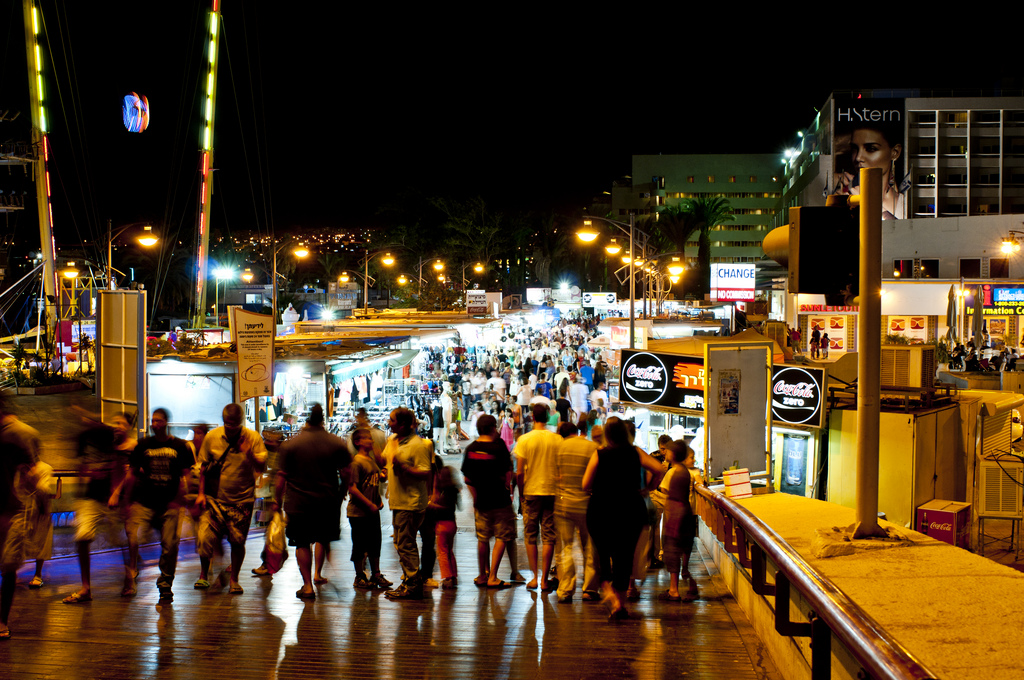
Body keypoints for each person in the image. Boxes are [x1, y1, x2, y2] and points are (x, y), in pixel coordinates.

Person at [583, 418, 664, 620]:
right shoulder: (635, 452)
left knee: (603, 555)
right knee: (624, 557)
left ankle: (611, 596)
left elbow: (585, 484)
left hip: (601, 510)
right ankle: (620, 604)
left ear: (607, 434)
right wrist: (649, 487)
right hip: (630, 510)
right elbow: (659, 469)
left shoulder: (600, 453)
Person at [276, 403, 352, 600]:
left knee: (301, 543)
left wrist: (277, 501)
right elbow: (346, 472)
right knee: (322, 538)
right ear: (323, 420)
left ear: (307, 421)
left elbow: (281, 477)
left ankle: (308, 585)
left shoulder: (291, 444)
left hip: (298, 503)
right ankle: (318, 573)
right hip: (326, 502)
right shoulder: (336, 443)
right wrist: (341, 493)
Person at [63, 412, 137, 604]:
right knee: (82, 537)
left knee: (119, 540)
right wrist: (79, 496)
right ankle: (86, 588)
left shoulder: (116, 442)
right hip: (91, 497)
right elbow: (81, 467)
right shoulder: (86, 439)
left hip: (111, 498)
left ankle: (129, 578)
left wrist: (118, 494)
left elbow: (126, 471)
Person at [195, 403, 268, 595]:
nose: (231, 428)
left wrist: (248, 452)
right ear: (223, 421)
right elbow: (203, 467)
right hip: (214, 499)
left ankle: (234, 579)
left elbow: (262, 466)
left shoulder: (252, 437)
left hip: (242, 500)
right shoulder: (212, 437)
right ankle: (203, 575)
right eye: (228, 424)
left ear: (241, 422)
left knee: (237, 542)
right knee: (204, 538)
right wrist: (201, 493)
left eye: (235, 424)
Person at [122, 408, 192, 602]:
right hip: (146, 502)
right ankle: (133, 571)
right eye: (153, 421)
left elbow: (187, 475)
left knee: (170, 545)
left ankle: (165, 584)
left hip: (169, 503)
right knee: (134, 537)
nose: (155, 424)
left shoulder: (179, 446)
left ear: (166, 422)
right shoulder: (143, 445)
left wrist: (182, 499)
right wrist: (127, 500)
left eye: (159, 421)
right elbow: (132, 473)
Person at [462, 414, 518, 588]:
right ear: (493, 428)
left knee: (483, 538)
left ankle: (482, 575)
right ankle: (493, 576)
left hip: (481, 501)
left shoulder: (471, 449)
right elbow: (508, 472)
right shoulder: (499, 447)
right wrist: (509, 489)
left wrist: (475, 497)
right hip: (500, 500)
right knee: (502, 536)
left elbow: (467, 479)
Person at [0, 396, 41, 638]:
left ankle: (2, 621)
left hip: (12, 509)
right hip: (11, 509)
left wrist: (24, 497)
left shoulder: (16, 435)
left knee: (8, 565)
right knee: (7, 566)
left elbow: (31, 470)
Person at [382, 407, 432, 600]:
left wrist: (404, 468)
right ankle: (409, 581)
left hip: (410, 503)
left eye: (392, 420)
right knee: (400, 542)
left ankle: (412, 584)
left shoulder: (418, 445)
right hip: (398, 501)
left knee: (406, 544)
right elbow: (385, 461)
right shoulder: (393, 441)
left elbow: (425, 472)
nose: (389, 423)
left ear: (402, 424)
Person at [516, 403, 562, 591]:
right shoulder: (557, 439)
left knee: (530, 534)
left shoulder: (524, 440)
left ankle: (534, 577)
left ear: (533, 417)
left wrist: (521, 494)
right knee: (549, 535)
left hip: (531, 491)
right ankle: (544, 580)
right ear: (547, 417)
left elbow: (519, 472)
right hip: (551, 491)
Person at [553, 422, 600, 604]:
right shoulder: (592, 448)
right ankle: (589, 589)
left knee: (566, 547)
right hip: (588, 504)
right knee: (590, 547)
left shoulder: (559, 447)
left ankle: (566, 589)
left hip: (564, 504)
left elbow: (556, 475)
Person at [347, 427, 391, 590]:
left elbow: (373, 483)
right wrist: (369, 503)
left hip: (372, 511)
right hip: (359, 513)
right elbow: (353, 488)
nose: (371, 440)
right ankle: (359, 575)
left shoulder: (371, 460)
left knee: (375, 543)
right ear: (358, 442)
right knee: (359, 544)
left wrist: (377, 500)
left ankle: (376, 574)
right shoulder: (357, 462)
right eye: (367, 438)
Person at [839, 120, 905, 220]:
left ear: (895, 152)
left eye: (871, 149)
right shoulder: (845, 200)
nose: (858, 157)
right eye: (855, 149)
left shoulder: (906, 205)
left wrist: (870, 205)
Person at [660, 440, 699, 602]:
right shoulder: (682, 471)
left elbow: (675, 498)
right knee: (676, 551)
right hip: (682, 514)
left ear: (674, 454)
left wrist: (672, 523)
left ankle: (674, 590)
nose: (666, 453)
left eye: (669, 451)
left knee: (672, 551)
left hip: (677, 516)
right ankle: (674, 588)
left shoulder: (677, 473)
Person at [430, 465, 461, 588]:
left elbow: (441, 507)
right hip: (452, 524)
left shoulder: (443, 493)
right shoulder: (454, 490)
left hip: (442, 525)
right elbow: (458, 507)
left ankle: (447, 577)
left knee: (442, 552)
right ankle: (454, 575)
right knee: (449, 551)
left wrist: (431, 505)